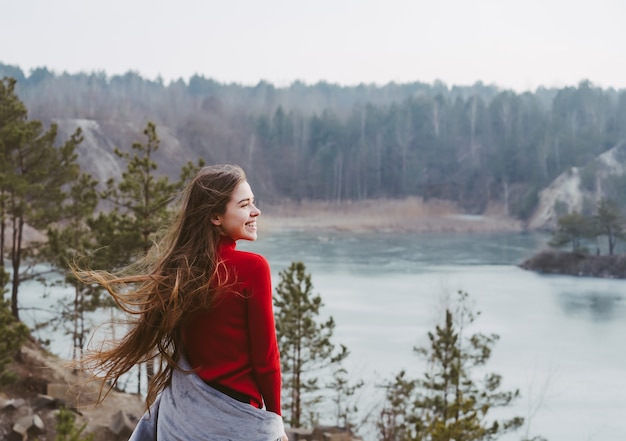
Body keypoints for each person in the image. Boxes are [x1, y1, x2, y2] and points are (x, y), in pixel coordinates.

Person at [76, 164, 287, 441]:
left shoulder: (180, 270)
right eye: (245, 205)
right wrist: (275, 421)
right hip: (235, 419)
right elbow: (266, 359)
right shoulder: (253, 268)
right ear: (215, 216)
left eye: (254, 203)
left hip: (179, 418)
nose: (255, 211)